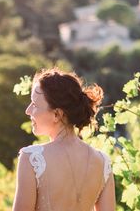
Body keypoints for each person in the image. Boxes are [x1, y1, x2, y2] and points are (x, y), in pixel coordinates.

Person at [12, 68, 115, 211]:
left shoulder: (31, 158)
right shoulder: (103, 162)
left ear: (57, 114)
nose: (28, 110)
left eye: (34, 104)